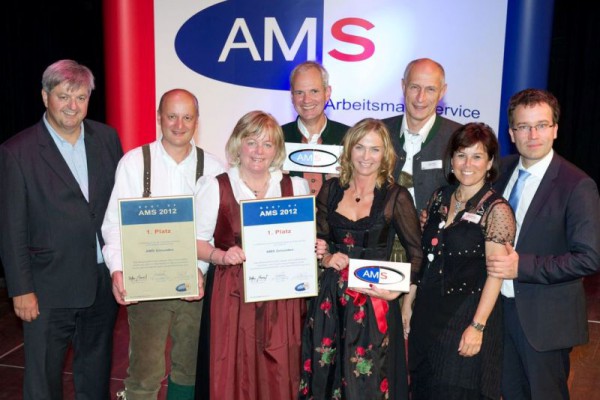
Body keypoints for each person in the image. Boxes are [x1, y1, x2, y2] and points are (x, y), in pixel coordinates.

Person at [0, 59, 123, 399]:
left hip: (100, 284)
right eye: (64, 95)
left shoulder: (107, 138)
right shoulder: (16, 152)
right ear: (45, 97)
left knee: (95, 375)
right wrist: (20, 289)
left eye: (81, 97)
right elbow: (11, 228)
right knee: (42, 380)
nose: (73, 105)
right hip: (47, 289)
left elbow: (120, 206)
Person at [101, 89, 226, 399]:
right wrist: (118, 270)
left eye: (187, 117)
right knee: (144, 371)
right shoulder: (134, 162)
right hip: (147, 285)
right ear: (159, 118)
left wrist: (197, 268)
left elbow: (217, 232)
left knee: (190, 368)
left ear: (197, 121)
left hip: (198, 284)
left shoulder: (214, 168)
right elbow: (114, 224)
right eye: (172, 116)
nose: (179, 124)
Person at [194, 110, 321, 400]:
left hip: (283, 297)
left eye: (267, 144)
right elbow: (197, 242)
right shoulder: (216, 186)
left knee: (279, 374)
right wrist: (219, 256)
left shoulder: (295, 187)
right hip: (233, 295)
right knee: (234, 371)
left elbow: (304, 241)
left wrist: (316, 248)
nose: (259, 151)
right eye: (252, 142)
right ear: (238, 144)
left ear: (277, 149)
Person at [486, 89, 600, 399]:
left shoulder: (577, 185)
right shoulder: (498, 172)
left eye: (541, 125)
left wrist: (521, 265)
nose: (533, 134)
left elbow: (588, 257)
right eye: (524, 126)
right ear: (512, 132)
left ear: (555, 129)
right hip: (498, 313)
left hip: (544, 323)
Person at [299, 118, 423, 399]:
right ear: (349, 150)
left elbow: (417, 254)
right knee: (324, 376)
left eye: (375, 149)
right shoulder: (330, 190)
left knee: (368, 381)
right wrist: (327, 257)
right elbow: (316, 241)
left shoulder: (395, 196)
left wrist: (397, 291)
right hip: (331, 301)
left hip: (374, 299)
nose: (366, 157)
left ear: (386, 155)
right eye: (360, 147)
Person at [407, 123, 516, 399]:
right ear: (451, 159)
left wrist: (477, 327)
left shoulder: (497, 210)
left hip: (465, 317)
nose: (468, 164)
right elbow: (425, 257)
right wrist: (408, 303)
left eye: (477, 156)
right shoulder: (439, 197)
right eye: (461, 155)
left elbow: (496, 274)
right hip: (427, 313)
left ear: (490, 162)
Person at [383, 58, 462, 213]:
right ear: (403, 86)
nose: (421, 98)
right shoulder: (379, 132)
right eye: (414, 87)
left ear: (442, 92)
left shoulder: (459, 138)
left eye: (430, 89)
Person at [282, 60, 349, 195]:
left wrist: (349, 181)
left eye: (314, 91)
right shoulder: (276, 137)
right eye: (299, 92)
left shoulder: (349, 137)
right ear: (292, 96)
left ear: (327, 93)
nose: (306, 100)